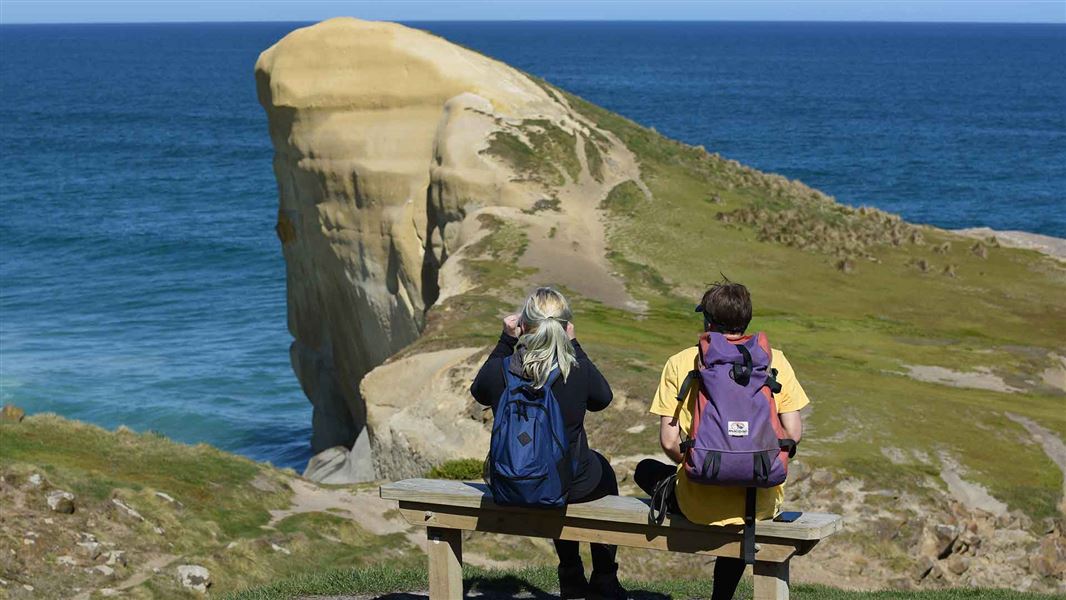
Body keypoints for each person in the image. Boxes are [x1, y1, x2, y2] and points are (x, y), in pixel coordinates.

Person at [634, 281, 809, 600]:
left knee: (644, 471)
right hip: (760, 502)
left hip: (697, 502)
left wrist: (703, 462)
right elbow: (793, 434)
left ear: (708, 322)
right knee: (743, 503)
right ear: (746, 321)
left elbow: (669, 441)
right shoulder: (774, 359)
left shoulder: (680, 361)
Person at [470, 287, 626, 600]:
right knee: (599, 472)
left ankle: (570, 571)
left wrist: (505, 340)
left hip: (509, 482)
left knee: (555, 478)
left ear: (523, 326)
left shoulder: (504, 369)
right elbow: (603, 398)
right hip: (567, 485)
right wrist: (575, 344)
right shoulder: (574, 370)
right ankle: (605, 576)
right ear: (564, 327)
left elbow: (478, 391)